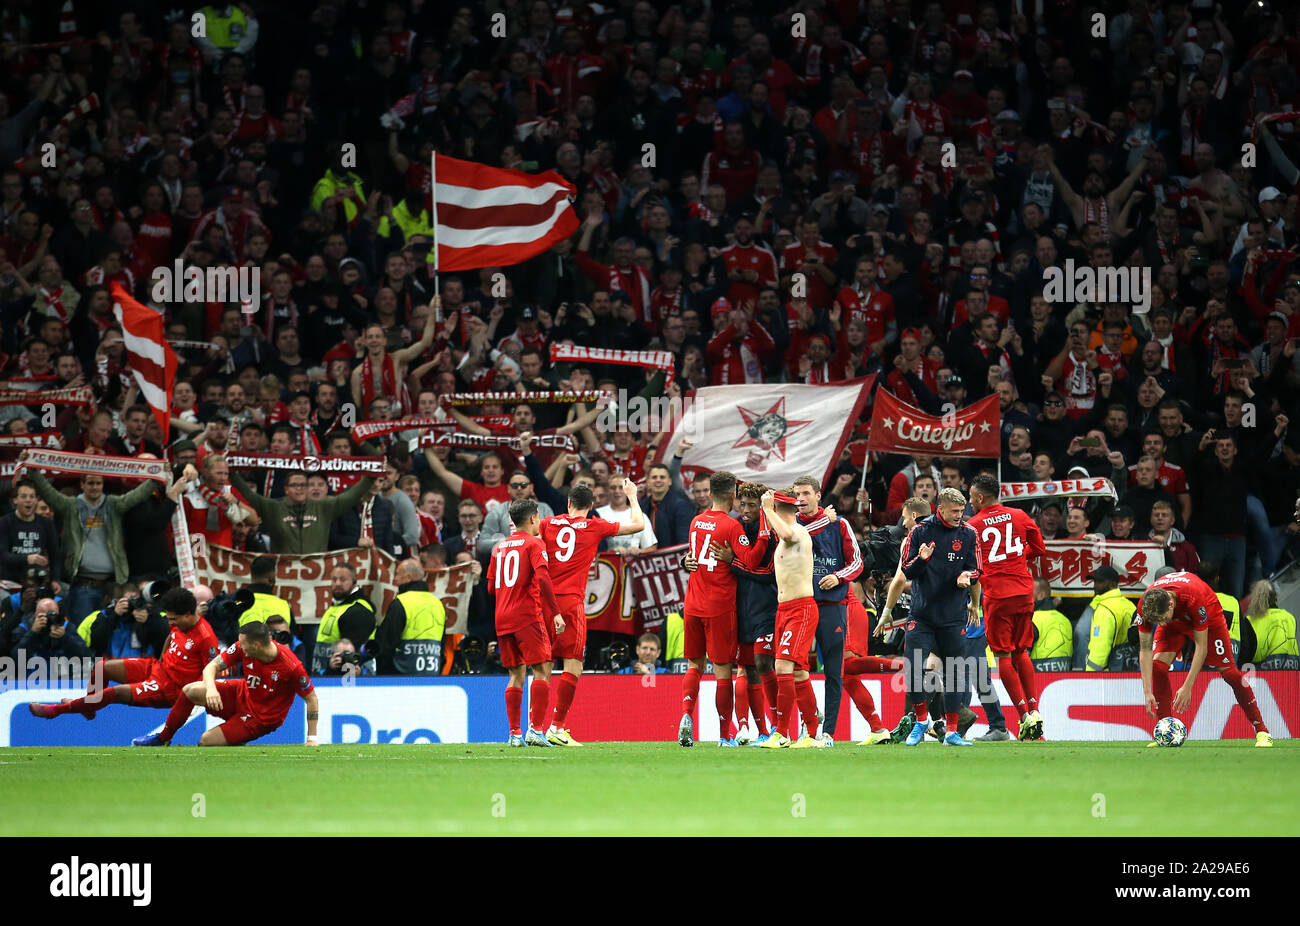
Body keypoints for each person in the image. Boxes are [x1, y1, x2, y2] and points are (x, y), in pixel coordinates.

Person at [539, 481, 643, 745]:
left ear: (569, 504)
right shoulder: (595, 525)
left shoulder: (548, 523)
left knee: (544, 664)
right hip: (571, 603)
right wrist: (632, 496)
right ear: (591, 506)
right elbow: (638, 524)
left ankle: (534, 728)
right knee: (573, 663)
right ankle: (557, 727)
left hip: (544, 601)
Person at [29, 588, 218, 724]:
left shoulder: (206, 637)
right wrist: (162, 657)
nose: (171, 622)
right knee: (102, 667)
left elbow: (211, 671)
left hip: (168, 688)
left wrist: (191, 698)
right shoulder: (180, 622)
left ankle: (55, 711)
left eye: (173, 619)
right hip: (157, 668)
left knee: (113, 693)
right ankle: (89, 707)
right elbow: (171, 635)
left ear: (187, 614)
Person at [677, 470, 767, 747]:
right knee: (722, 670)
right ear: (732, 495)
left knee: (694, 664)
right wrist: (763, 532)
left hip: (692, 603)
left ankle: (685, 715)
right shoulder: (731, 526)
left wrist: (685, 562)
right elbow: (751, 561)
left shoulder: (696, 522)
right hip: (719, 605)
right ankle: (724, 734)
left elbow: (694, 556)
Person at [21, 452, 163, 625]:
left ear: (103, 485)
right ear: (82, 484)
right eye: (90, 483)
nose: (94, 487)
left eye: (98, 483)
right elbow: (48, 493)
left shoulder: (114, 504)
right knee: (83, 631)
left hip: (113, 586)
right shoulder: (70, 505)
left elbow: (137, 495)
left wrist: (157, 476)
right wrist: (33, 469)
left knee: (112, 631)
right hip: (83, 587)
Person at [1136, 571, 1271, 748]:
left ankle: (1262, 731)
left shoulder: (1193, 597)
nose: (1160, 625)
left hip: (1210, 617)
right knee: (1158, 667)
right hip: (1175, 623)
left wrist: (1188, 686)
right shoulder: (1147, 605)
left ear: (1170, 604)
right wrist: (1147, 691)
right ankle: (1165, 732)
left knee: (1230, 673)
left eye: (1161, 620)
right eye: (1156, 622)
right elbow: (1145, 649)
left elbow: (1201, 646)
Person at [137, 620, 320, 747]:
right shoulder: (243, 647)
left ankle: (235, 737)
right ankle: (163, 739)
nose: (239, 646)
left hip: (260, 718)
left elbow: (311, 698)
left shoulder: (291, 666)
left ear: (256, 645)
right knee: (190, 691)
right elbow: (211, 666)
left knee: (206, 740)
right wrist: (211, 689)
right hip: (241, 693)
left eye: (243, 644)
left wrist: (312, 738)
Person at [964, 473, 1047, 740]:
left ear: (979, 497)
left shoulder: (973, 525)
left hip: (997, 596)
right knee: (1022, 650)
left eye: (970, 497)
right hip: (1024, 591)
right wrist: (1017, 556)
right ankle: (1035, 711)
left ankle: (1023, 717)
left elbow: (969, 564)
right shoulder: (1020, 515)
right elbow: (1039, 548)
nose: (969, 502)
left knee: (1004, 655)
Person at [898, 487, 978, 747]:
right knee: (913, 669)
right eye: (954, 511)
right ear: (940, 509)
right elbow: (907, 571)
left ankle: (952, 732)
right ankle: (921, 721)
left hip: (953, 616)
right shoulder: (919, 532)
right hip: (922, 614)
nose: (960, 515)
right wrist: (922, 560)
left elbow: (977, 567)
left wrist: (968, 576)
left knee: (955, 672)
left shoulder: (968, 533)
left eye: (962, 510)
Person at [790, 473, 864, 744]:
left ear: (819, 495)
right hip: (799, 606)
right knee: (793, 669)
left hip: (831, 605)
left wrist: (839, 576)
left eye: (806, 493)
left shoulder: (840, 524)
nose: (801, 499)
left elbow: (857, 562)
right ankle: (808, 723)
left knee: (834, 671)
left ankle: (828, 732)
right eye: (797, 494)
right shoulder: (790, 525)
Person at [488, 498, 564, 747]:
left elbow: (491, 587)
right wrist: (555, 612)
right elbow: (542, 578)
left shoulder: (499, 548)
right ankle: (536, 729)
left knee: (515, 674)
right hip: (526, 615)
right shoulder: (535, 543)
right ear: (533, 518)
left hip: (502, 617)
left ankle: (514, 734)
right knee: (542, 669)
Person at [756, 489, 821, 749]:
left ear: (781, 508)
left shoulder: (798, 532)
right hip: (784, 610)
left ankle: (782, 733)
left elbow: (786, 532)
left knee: (782, 666)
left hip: (801, 609)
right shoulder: (783, 538)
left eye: (773, 508)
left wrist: (768, 509)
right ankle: (813, 735)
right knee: (799, 673)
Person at [229, 467, 376, 554]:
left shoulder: (324, 507)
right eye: (294, 485)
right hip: (285, 576)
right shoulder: (274, 507)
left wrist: (371, 475)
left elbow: (352, 495)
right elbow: (249, 495)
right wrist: (230, 473)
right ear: (286, 489)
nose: (299, 488)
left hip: (316, 576)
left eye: (303, 485)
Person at [374, 558, 447, 675]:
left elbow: (386, 644)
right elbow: (442, 645)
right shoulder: (438, 604)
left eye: (398, 574)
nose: (395, 579)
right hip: (432, 676)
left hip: (401, 679)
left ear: (409, 577)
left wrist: (385, 674)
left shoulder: (401, 602)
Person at [312, 564, 376, 673]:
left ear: (354, 582)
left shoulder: (358, 611)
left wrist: (331, 671)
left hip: (346, 681)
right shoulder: (338, 606)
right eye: (334, 579)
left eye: (343, 579)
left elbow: (352, 657)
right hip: (326, 676)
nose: (337, 583)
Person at [0, 480, 62, 587]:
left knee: (62, 597)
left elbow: (55, 556)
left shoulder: (46, 523)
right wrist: (27, 558)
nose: (28, 500)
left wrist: (55, 580)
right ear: (15, 500)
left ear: (36, 500)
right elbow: (2, 555)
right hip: (10, 582)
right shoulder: (4, 522)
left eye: (32, 496)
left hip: (39, 580)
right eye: (24, 496)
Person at [1083, 565, 1137, 672]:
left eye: (1100, 582)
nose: (1095, 586)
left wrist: (1090, 675)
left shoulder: (1104, 609)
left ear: (1112, 584)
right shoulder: (1129, 605)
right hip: (1130, 670)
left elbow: (1100, 647)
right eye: (1095, 582)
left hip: (1109, 675)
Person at [1242, 580, 1298, 670]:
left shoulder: (1249, 620)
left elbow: (1246, 654)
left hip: (1263, 674)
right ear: (1275, 597)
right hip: (1292, 670)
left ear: (1254, 598)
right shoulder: (1290, 617)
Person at [1029, 578, 1072, 672]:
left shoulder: (1033, 619)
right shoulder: (1065, 620)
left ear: (1041, 595)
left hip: (1039, 679)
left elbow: (1020, 655)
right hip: (1064, 679)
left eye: (1029, 593)